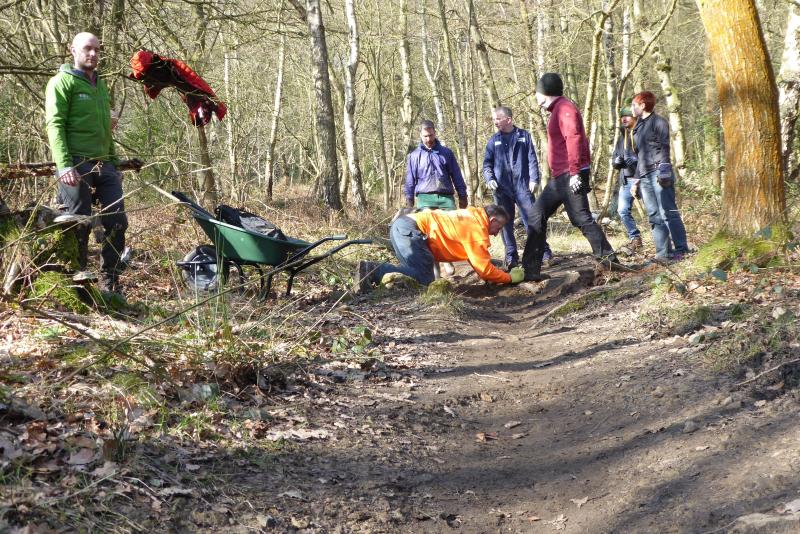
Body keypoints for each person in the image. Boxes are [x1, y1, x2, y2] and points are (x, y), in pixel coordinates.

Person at [46, 32, 128, 293]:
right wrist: (64, 165)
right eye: (87, 49)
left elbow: (106, 130)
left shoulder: (100, 85)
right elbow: (55, 125)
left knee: (117, 221)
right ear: (72, 50)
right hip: (77, 164)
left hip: (104, 165)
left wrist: (114, 163)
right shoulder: (62, 82)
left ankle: (110, 281)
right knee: (78, 223)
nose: (93, 54)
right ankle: (78, 281)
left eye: (97, 50)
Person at [521, 73, 619, 281]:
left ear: (545, 92)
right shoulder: (558, 109)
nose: (535, 97)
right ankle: (530, 270)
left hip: (568, 175)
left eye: (537, 93)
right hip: (560, 177)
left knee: (580, 218)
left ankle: (610, 261)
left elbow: (574, 139)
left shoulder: (565, 109)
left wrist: (576, 173)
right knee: (536, 215)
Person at [354, 205, 524, 291]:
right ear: (493, 220)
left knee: (415, 277)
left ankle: (370, 281)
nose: (496, 234)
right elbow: (484, 269)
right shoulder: (476, 228)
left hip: (404, 227)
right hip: (410, 230)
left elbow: (478, 262)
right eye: (499, 227)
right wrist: (509, 278)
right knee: (423, 279)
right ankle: (373, 270)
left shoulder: (472, 216)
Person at [482, 106, 552, 270]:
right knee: (504, 223)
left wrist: (534, 179)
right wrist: (490, 179)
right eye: (494, 119)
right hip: (502, 189)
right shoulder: (493, 140)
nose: (495, 122)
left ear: (508, 119)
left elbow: (532, 159)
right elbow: (487, 165)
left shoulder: (524, 136)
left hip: (523, 186)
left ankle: (543, 253)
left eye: (498, 119)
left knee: (533, 221)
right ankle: (511, 257)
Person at [630, 91, 689, 262]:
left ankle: (681, 250)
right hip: (645, 175)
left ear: (642, 105)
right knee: (654, 215)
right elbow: (639, 155)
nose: (632, 109)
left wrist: (664, 172)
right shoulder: (637, 128)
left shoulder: (659, 122)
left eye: (634, 105)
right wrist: (635, 181)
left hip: (659, 173)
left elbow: (664, 148)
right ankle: (663, 253)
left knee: (668, 212)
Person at [404, 120, 468, 211]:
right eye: (425, 136)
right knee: (426, 224)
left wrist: (463, 195)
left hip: (446, 198)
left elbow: (456, 175)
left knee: (452, 224)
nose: (428, 139)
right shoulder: (414, 156)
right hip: (424, 199)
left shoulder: (447, 153)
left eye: (431, 135)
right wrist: (409, 200)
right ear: (420, 135)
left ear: (435, 133)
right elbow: (410, 180)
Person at [612, 107, 643, 256]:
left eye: (627, 116)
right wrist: (616, 162)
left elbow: (649, 157)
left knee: (654, 210)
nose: (624, 119)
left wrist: (636, 160)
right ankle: (635, 238)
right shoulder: (620, 139)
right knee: (622, 211)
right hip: (625, 180)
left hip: (642, 179)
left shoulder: (641, 134)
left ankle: (667, 241)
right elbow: (614, 158)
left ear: (635, 118)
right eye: (622, 117)